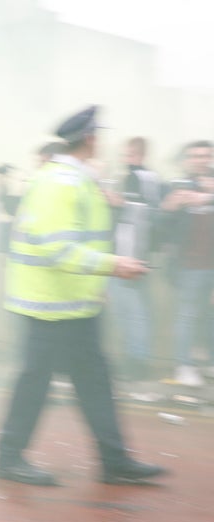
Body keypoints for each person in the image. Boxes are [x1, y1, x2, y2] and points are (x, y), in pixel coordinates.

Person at [0, 106, 167, 487]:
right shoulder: (62, 183)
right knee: (36, 382)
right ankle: (9, 457)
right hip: (48, 307)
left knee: (93, 383)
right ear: (89, 139)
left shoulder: (72, 179)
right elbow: (60, 250)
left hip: (71, 306)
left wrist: (96, 286)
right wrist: (114, 265)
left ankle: (114, 459)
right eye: (98, 136)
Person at [110, 136, 165, 383]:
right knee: (134, 311)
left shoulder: (139, 178)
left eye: (128, 154)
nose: (125, 159)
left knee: (132, 312)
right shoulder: (147, 179)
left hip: (129, 255)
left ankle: (136, 361)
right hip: (136, 254)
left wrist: (118, 202)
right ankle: (135, 359)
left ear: (139, 155)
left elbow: (141, 213)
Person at [160, 140, 214, 388]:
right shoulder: (176, 187)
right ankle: (184, 365)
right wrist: (169, 209)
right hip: (190, 266)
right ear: (186, 161)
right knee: (188, 315)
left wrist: (208, 196)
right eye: (195, 156)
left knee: (209, 316)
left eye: (206, 155)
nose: (201, 160)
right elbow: (159, 227)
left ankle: (209, 364)